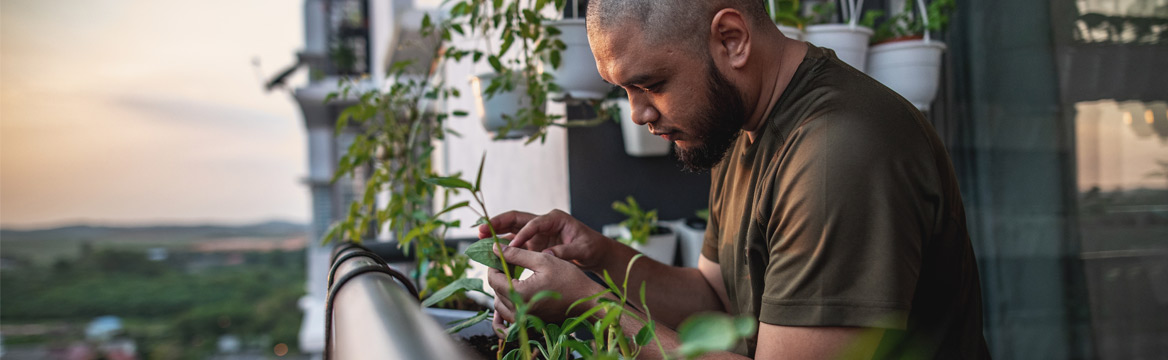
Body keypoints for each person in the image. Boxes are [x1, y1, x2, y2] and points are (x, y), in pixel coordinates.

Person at [480, 0, 990, 358]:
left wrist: (593, 305)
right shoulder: (737, 123)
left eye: (651, 84)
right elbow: (717, 299)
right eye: (624, 90)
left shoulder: (838, 154)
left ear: (732, 39)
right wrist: (598, 258)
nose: (637, 114)